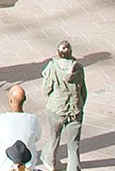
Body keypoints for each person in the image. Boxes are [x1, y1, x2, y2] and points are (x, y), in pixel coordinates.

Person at [38, 41, 85, 171]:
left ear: (58, 53)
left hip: (57, 109)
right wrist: (80, 105)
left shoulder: (52, 67)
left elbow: (46, 90)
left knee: (54, 137)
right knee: (74, 145)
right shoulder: (79, 68)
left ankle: (50, 161)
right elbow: (83, 91)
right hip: (74, 110)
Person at [0, 84, 42, 171]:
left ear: (10, 100)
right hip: (28, 167)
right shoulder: (33, 120)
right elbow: (37, 137)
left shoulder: (0, 119)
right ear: (24, 99)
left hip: (4, 167)